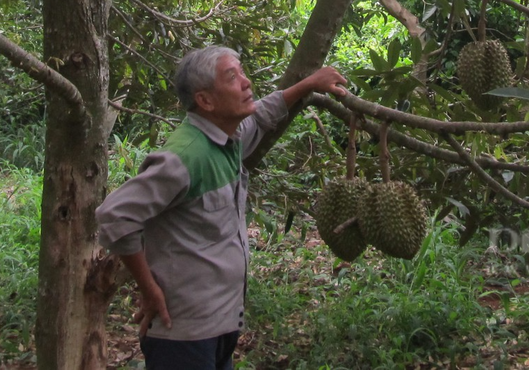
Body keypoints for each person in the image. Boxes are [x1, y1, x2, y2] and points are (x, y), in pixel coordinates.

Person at [97, 47, 348, 370]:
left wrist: (308, 84)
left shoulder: (227, 140)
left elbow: (262, 115)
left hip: (221, 325)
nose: (246, 82)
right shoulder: (185, 157)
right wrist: (148, 289)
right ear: (205, 101)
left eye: (242, 72)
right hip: (184, 335)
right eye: (232, 77)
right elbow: (115, 216)